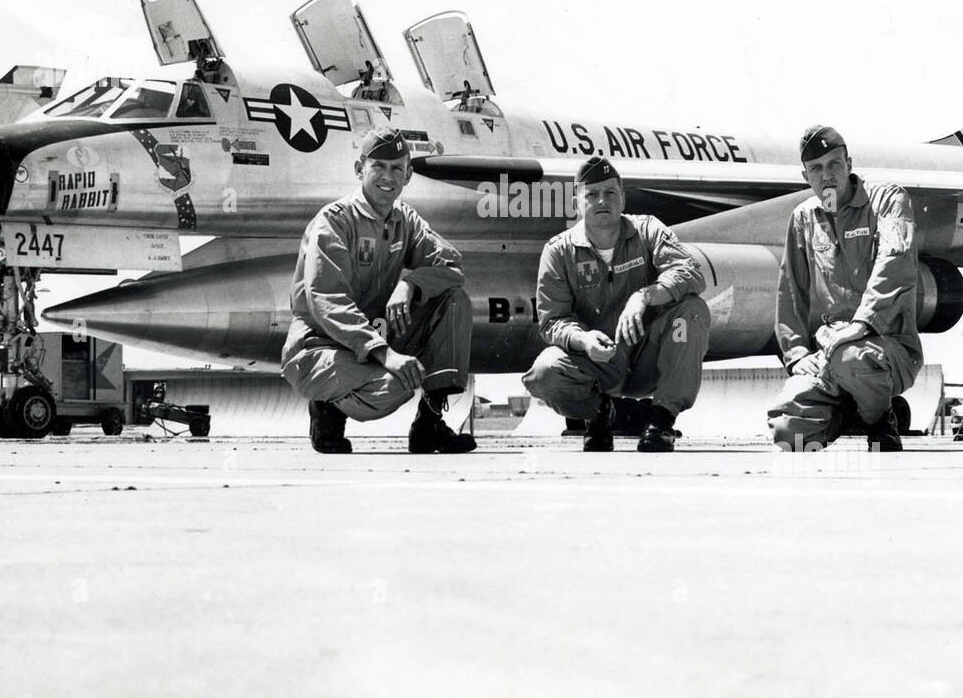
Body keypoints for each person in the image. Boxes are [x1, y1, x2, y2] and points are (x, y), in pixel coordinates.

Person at [280, 126, 476, 455]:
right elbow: (327, 300)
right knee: (397, 386)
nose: (388, 177)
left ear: (408, 175)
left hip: (375, 336)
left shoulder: (406, 221)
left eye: (397, 168)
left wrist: (411, 283)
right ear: (360, 170)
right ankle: (327, 409)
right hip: (321, 346)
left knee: (453, 300)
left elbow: (452, 269)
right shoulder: (335, 221)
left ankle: (429, 424)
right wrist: (386, 354)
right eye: (379, 167)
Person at [522, 156, 710, 452]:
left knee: (691, 312)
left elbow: (689, 272)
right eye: (592, 194)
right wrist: (583, 340)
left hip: (649, 355)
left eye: (610, 193)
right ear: (576, 203)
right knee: (544, 372)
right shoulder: (559, 252)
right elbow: (551, 321)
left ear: (622, 198)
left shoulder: (647, 231)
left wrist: (645, 296)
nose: (602, 201)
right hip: (598, 362)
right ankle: (600, 414)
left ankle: (661, 421)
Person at [768, 125, 922, 452]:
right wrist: (797, 356)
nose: (827, 175)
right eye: (816, 169)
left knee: (851, 357)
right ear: (805, 175)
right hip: (828, 355)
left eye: (834, 164)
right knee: (787, 435)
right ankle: (852, 410)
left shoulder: (888, 200)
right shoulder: (803, 219)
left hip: (887, 347)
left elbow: (895, 261)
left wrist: (861, 324)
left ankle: (881, 419)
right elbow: (790, 293)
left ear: (849, 164)